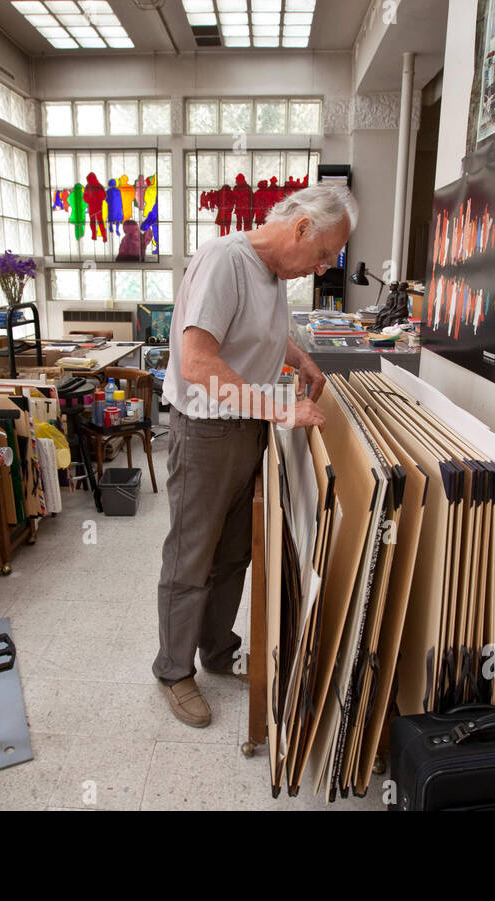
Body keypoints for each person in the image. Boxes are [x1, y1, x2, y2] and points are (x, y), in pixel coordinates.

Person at [154, 182, 358, 727]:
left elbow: (254, 330)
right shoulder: (225, 260)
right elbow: (197, 361)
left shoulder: (271, 273)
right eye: (320, 255)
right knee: (191, 555)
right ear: (299, 228)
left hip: (247, 426)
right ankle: (174, 670)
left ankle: (217, 651)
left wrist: (299, 357)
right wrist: (280, 409)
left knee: (233, 554)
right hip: (206, 431)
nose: (319, 269)